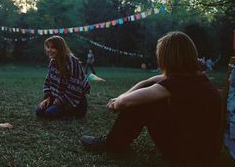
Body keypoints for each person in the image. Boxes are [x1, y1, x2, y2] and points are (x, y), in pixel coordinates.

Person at [80, 31, 222, 163]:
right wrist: (120, 97)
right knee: (145, 95)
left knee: (145, 103)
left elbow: (124, 103)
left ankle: (112, 144)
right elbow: (149, 81)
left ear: (166, 58)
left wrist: (118, 102)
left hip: (190, 156)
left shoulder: (178, 82)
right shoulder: (196, 77)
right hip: (207, 151)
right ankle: (114, 142)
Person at [35, 36, 91, 120]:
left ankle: (73, 115)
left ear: (60, 48)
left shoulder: (72, 61)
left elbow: (75, 86)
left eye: (53, 47)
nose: (49, 50)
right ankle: (60, 113)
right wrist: (48, 98)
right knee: (38, 112)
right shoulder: (53, 61)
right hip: (56, 98)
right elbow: (48, 81)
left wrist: (61, 100)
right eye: (48, 47)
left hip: (73, 101)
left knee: (48, 113)